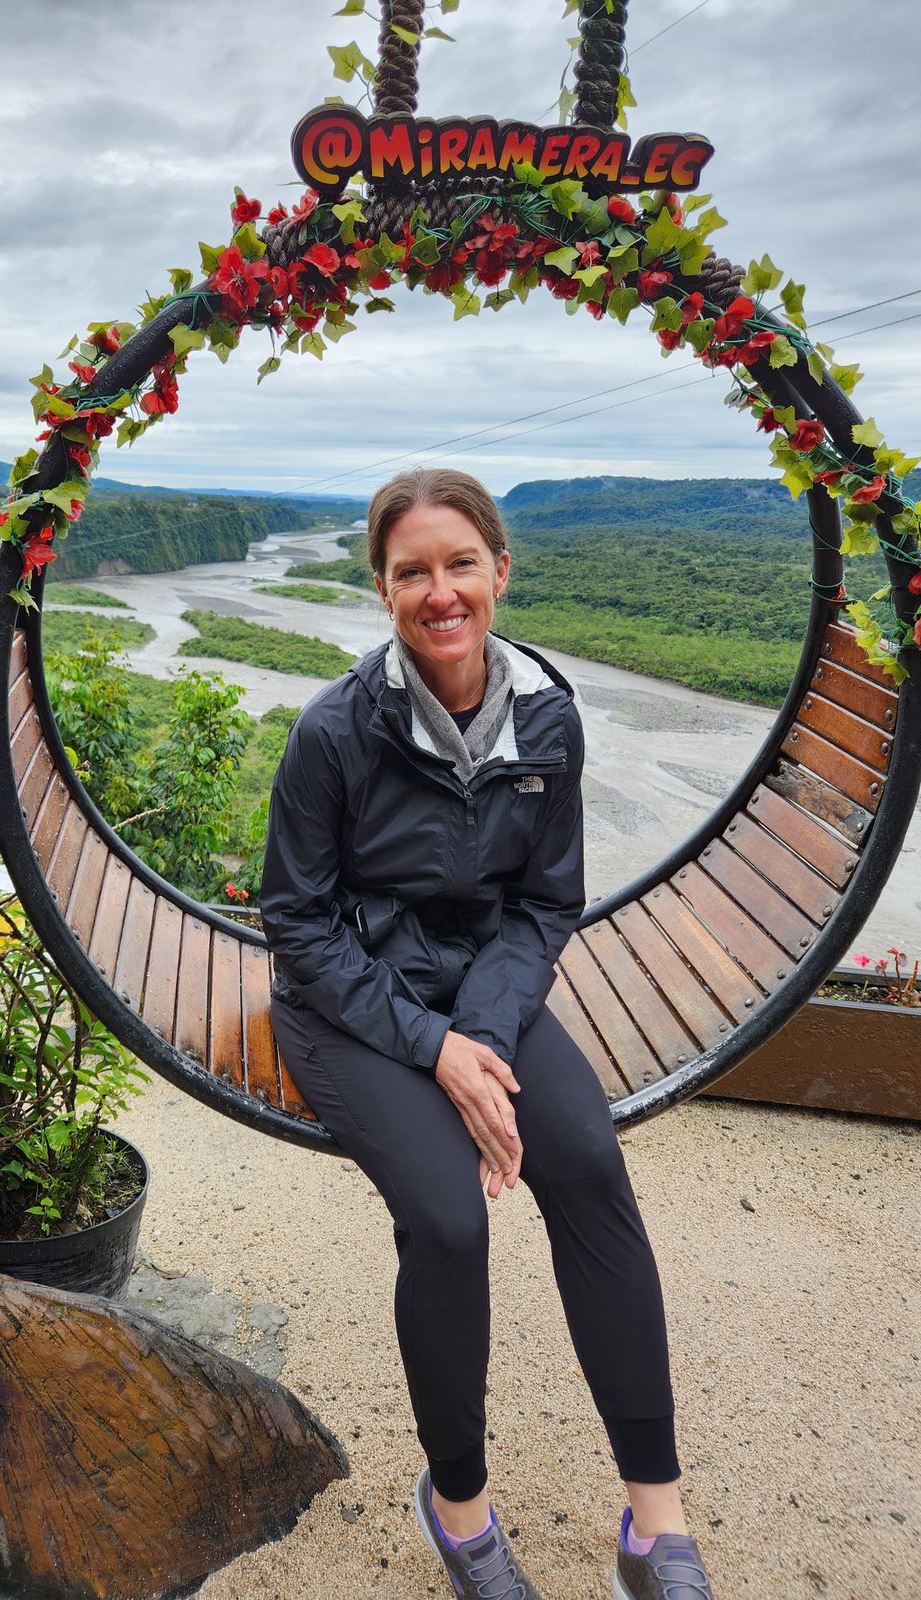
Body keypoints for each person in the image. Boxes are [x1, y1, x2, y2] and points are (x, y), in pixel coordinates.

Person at [260, 468, 717, 1600]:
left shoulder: (547, 717)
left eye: (460, 564)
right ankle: (459, 1511)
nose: (440, 592)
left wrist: (481, 1033)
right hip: (347, 999)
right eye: (411, 571)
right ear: (381, 589)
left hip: (483, 989)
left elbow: (544, 902)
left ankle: (656, 1523)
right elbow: (297, 926)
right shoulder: (334, 731)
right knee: (448, 1219)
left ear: (500, 573)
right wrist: (434, 1048)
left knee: (590, 1164)